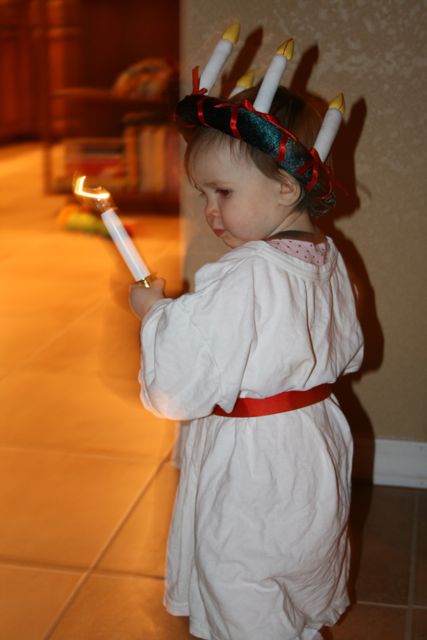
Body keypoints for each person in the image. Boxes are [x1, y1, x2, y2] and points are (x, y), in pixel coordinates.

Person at [129, 35, 364, 640]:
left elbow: (178, 387)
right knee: (296, 556)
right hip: (313, 441)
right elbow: (349, 349)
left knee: (239, 571)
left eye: (223, 192)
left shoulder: (244, 272)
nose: (210, 211)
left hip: (252, 463)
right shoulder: (328, 256)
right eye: (203, 194)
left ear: (286, 187)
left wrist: (155, 315)